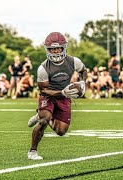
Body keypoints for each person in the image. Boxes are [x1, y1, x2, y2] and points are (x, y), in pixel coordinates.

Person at [27, 32, 87, 160]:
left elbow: (83, 71)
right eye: (52, 49)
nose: (55, 51)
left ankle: (43, 114)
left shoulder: (73, 61)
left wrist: (82, 82)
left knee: (61, 131)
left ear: (63, 47)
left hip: (64, 97)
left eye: (57, 48)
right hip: (49, 96)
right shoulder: (43, 68)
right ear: (47, 50)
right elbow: (43, 90)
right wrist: (62, 92)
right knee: (44, 121)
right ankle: (32, 151)